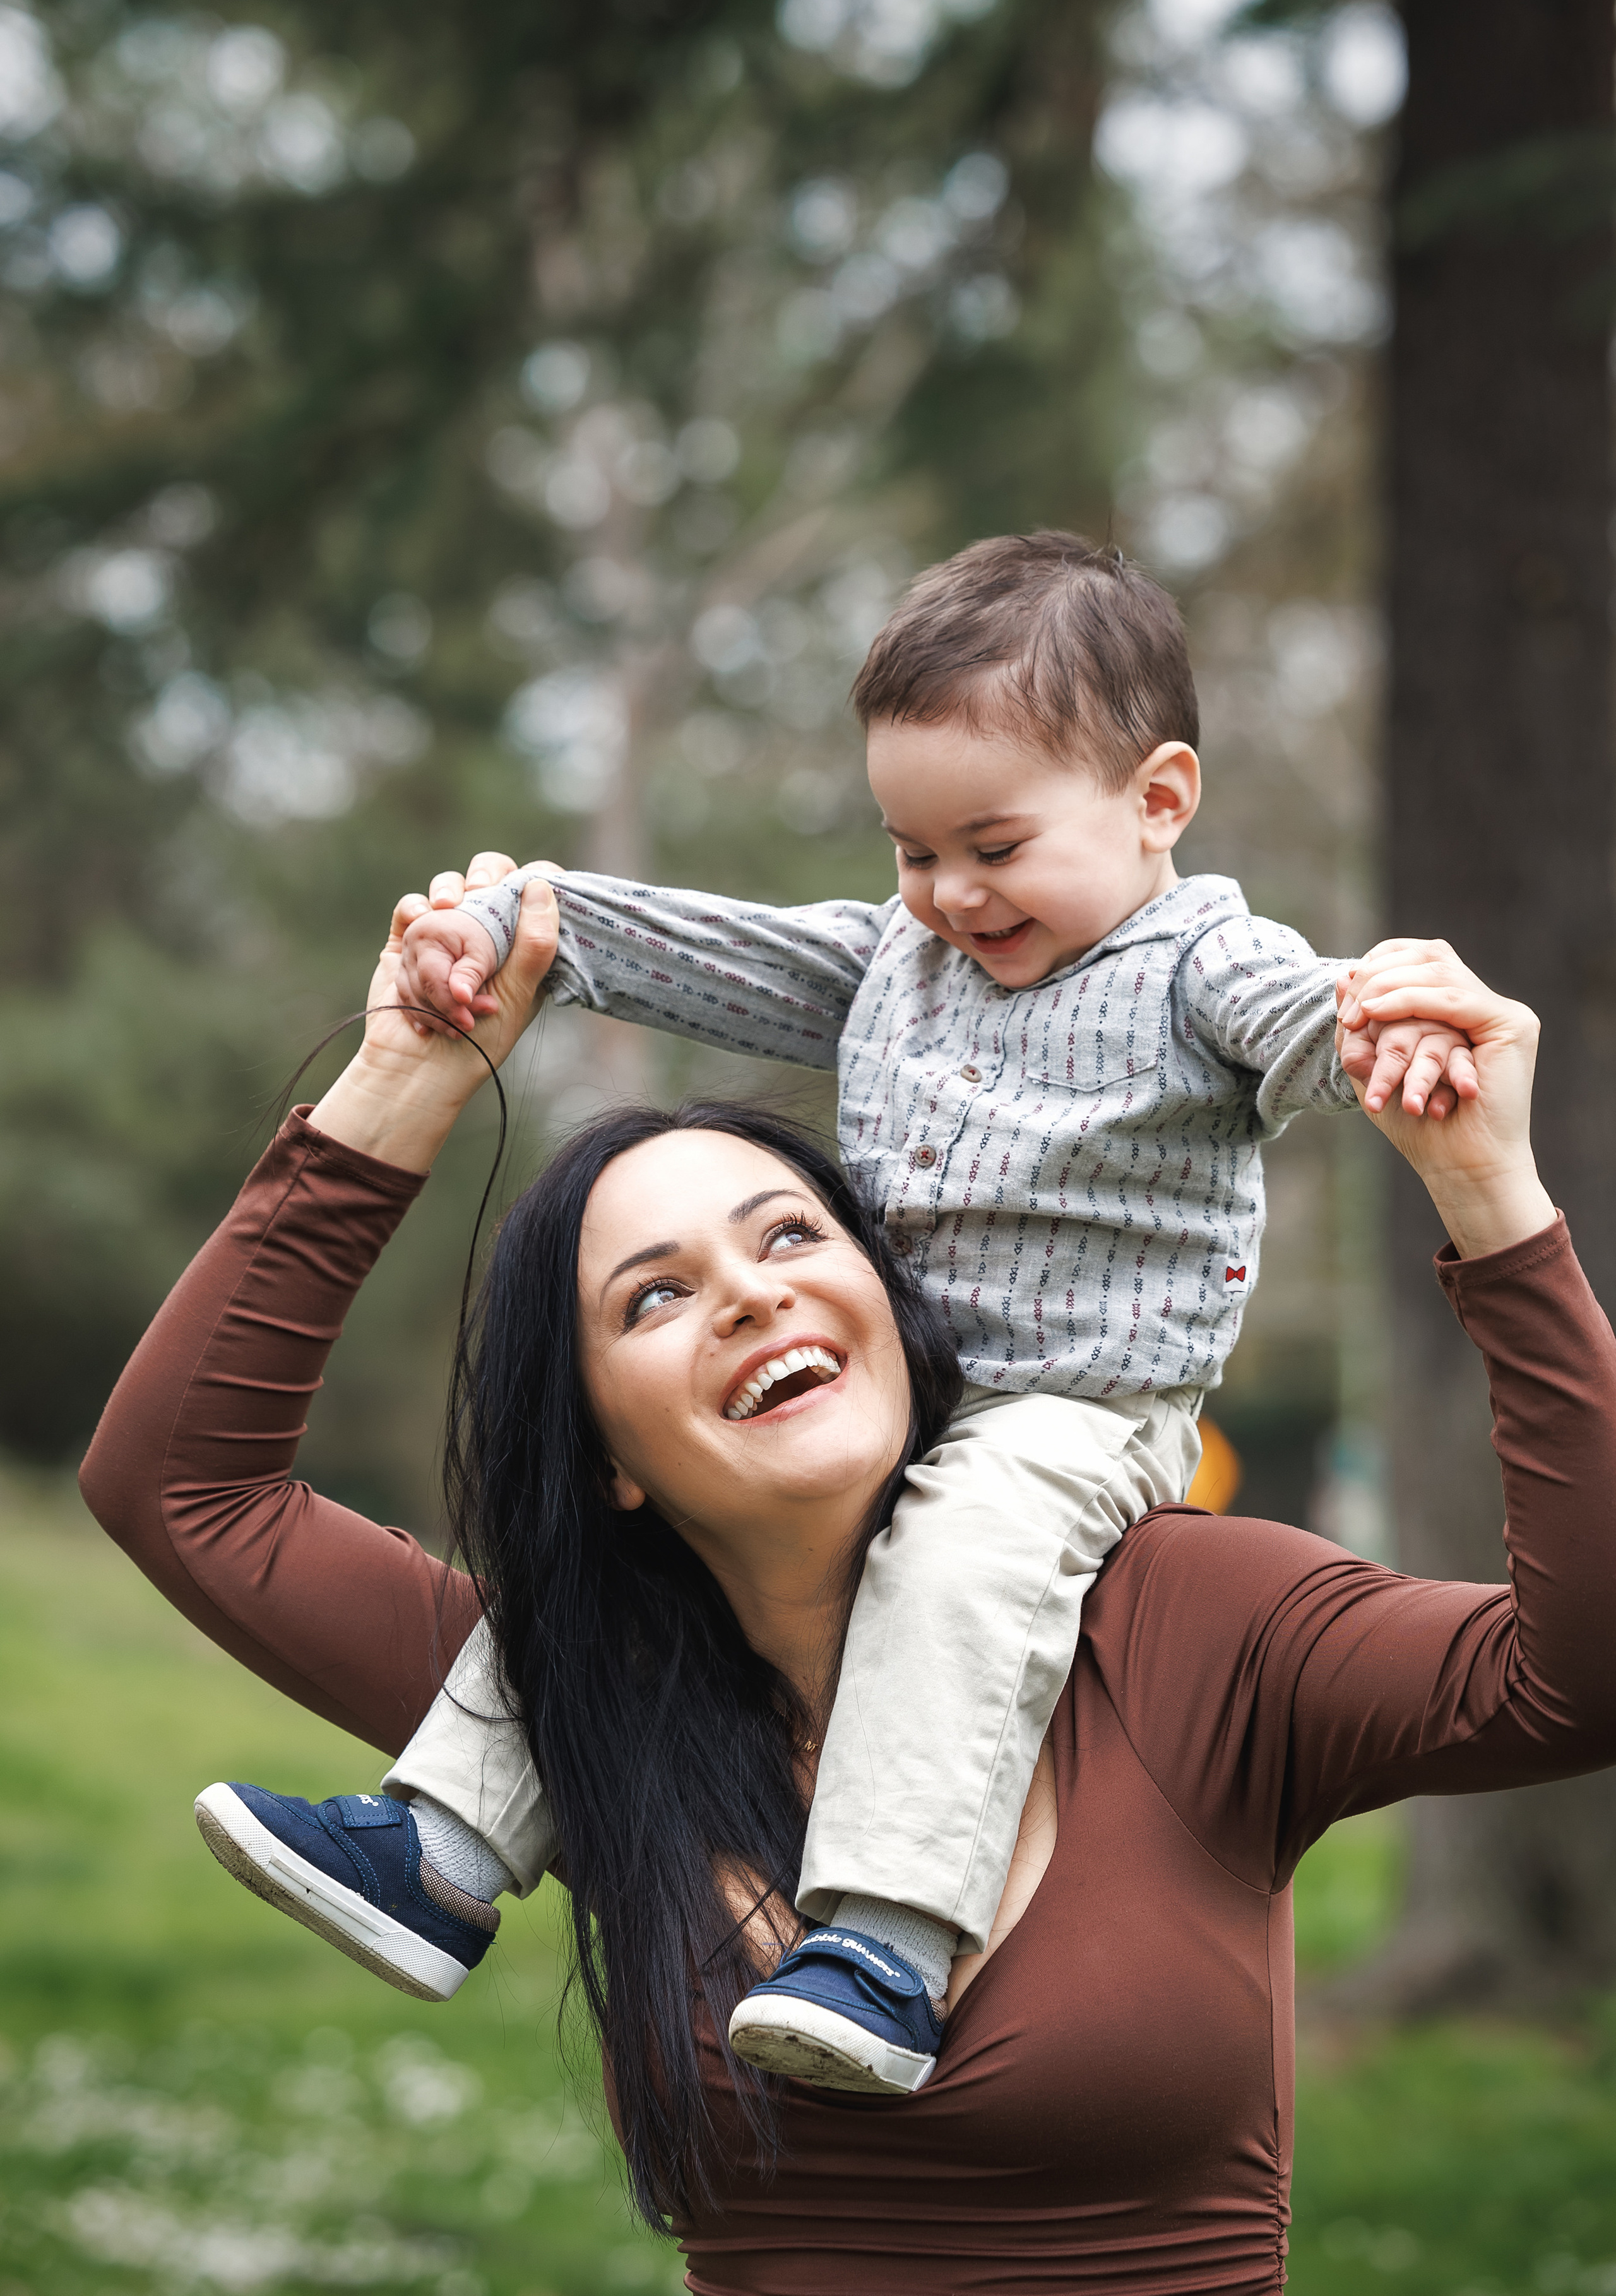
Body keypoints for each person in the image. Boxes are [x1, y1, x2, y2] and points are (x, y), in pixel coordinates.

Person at [80, 891, 1616, 2289]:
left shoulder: (1188, 1622)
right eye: (656, 1294)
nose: (749, 1290)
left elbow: (1579, 1672)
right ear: (608, 1447)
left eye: (792, 1235)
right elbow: (178, 1485)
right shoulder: (557, 1696)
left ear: (888, 1305)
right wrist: (408, 1076)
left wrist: (1490, 1200)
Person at [189, 532, 1480, 2098]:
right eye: (910, 848)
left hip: (1075, 1412)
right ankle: (443, 1845)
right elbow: (697, 948)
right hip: (904, 1381)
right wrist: (519, 921)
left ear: (1157, 800)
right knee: (633, 1549)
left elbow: (1301, 1018)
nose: (947, 892)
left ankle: (880, 1939)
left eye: (991, 844)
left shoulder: (1195, 961)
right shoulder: (903, 958)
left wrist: (1384, 1025)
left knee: (954, 1555)